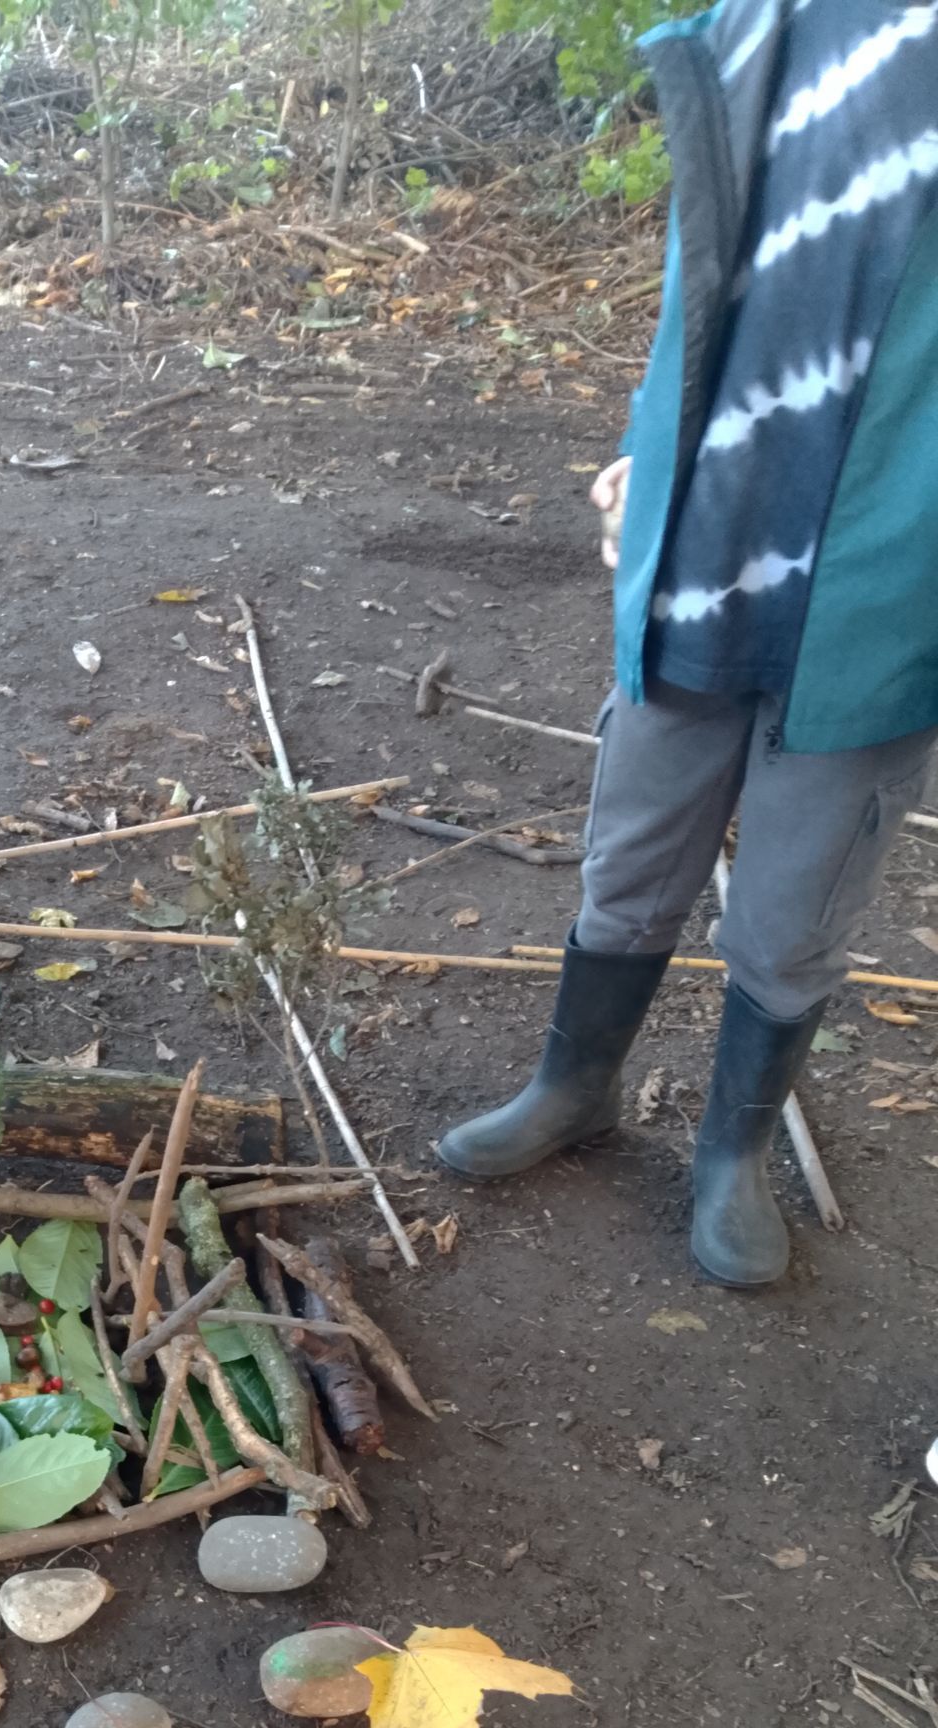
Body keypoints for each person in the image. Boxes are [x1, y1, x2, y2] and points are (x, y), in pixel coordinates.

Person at [439, 0, 938, 1286]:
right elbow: (721, 276)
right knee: (633, 849)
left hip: (892, 573)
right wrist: (648, 443)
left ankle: (732, 1155)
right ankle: (573, 1087)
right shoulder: (758, 25)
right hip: (707, 538)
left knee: (794, 904)